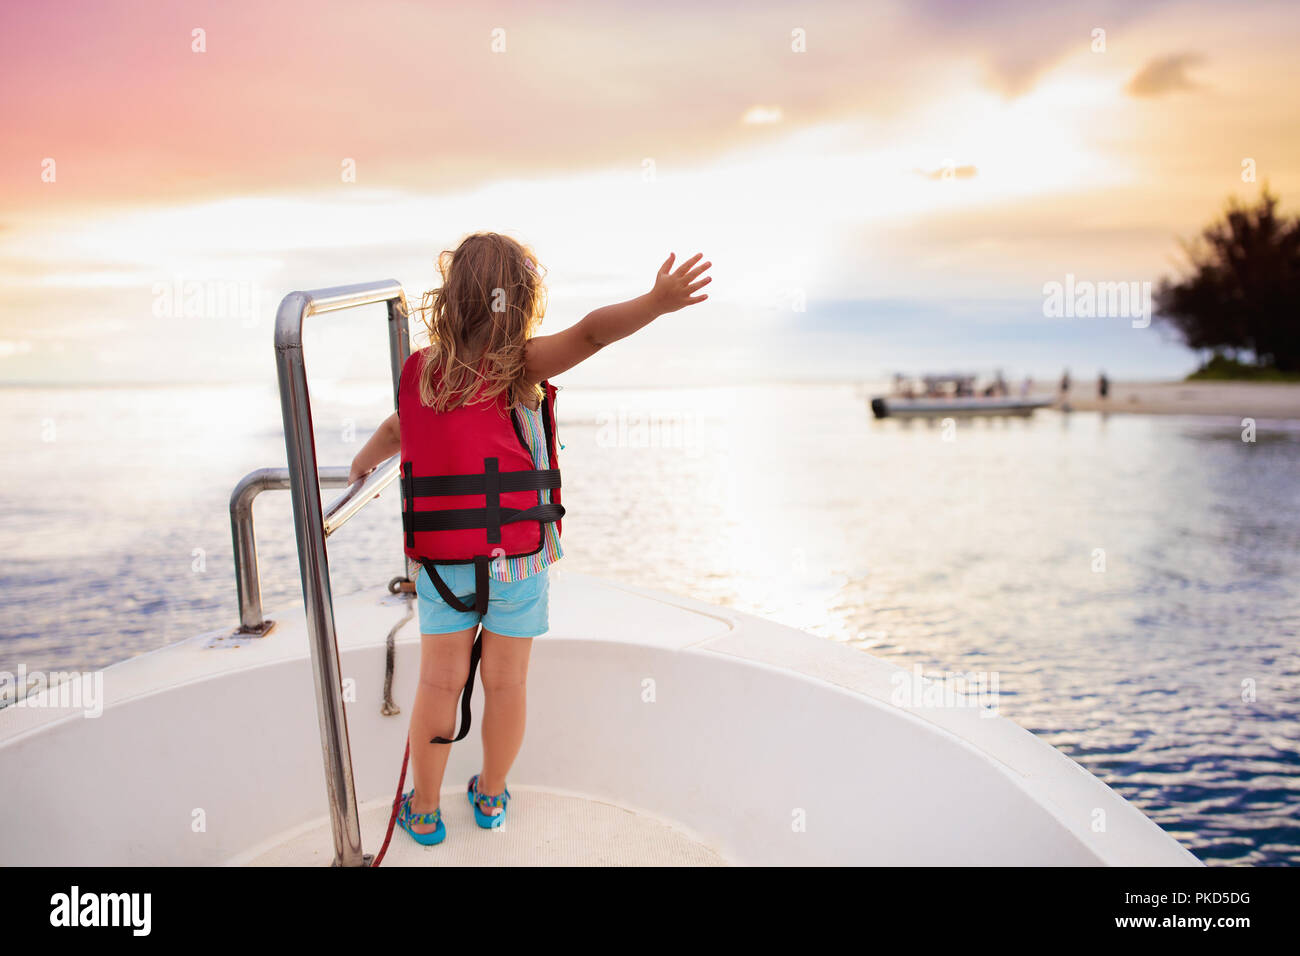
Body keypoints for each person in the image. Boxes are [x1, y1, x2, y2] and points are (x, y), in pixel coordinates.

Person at [347, 233, 710, 845]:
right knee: (507, 684)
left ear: (451, 299)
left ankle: (427, 810)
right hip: (517, 561)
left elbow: (393, 429)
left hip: (443, 567)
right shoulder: (518, 366)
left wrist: (361, 466)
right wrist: (656, 302)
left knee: (440, 684)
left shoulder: (421, 369)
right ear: (519, 301)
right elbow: (592, 333)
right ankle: (489, 797)